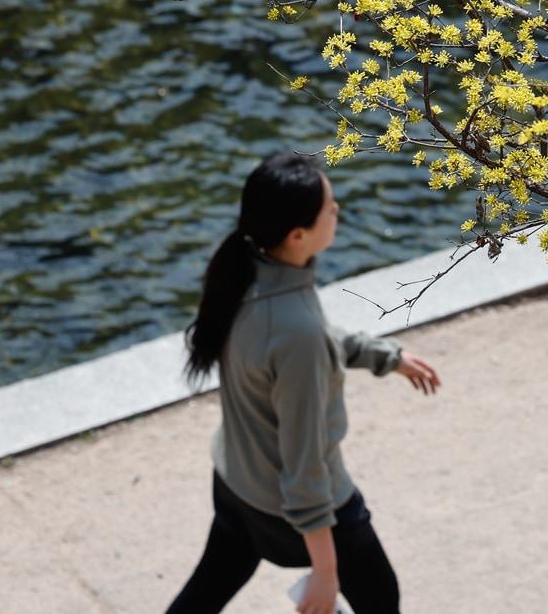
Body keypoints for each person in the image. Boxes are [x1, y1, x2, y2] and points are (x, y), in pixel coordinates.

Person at [166, 151, 440, 614]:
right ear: (297, 235)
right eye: (329, 208)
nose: (338, 211)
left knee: (205, 592)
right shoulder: (297, 331)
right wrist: (326, 572)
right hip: (289, 511)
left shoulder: (247, 274)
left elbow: (302, 341)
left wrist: (384, 356)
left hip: (236, 482)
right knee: (381, 599)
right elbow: (305, 461)